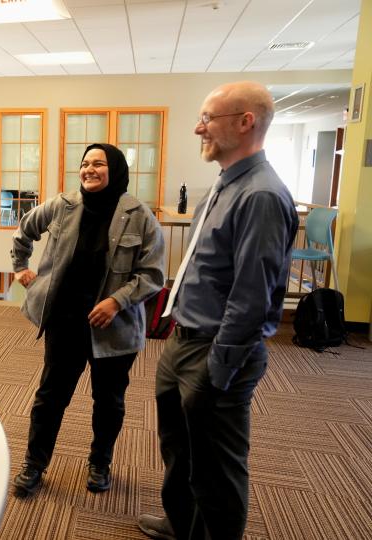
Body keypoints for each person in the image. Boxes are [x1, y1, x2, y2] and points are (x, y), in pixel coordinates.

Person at [137, 82, 298, 540]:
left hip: (216, 350)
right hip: (183, 340)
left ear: (246, 121)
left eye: (208, 118)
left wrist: (219, 368)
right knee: (181, 448)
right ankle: (182, 523)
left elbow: (252, 296)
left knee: (217, 466)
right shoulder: (223, 185)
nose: (197, 127)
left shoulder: (261, 196)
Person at [10, 143, 165, 496]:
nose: (89, 170)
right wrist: (20, 268)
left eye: (98, 164)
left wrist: (116, 301)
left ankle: (99, 462)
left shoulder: (139, 215)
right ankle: (34, 463)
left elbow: (154, 274)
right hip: (65, 322)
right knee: (50, 397)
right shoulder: (63, 205)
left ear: (115, 170)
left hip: (114, 327)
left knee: (108, 401)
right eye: (84, 164)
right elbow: (24, 230)